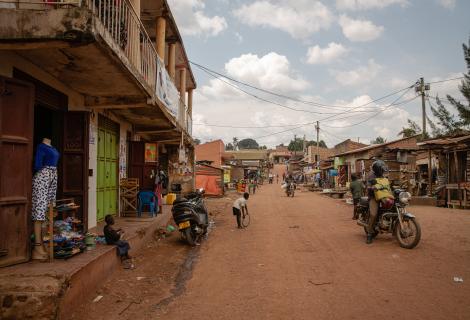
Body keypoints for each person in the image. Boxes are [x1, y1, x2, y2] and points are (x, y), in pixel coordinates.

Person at [366, 160, 387, 244]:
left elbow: (386, 183)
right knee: (373, 214)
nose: (382, 170)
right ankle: (369, 234)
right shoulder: (371, 175)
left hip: (383, 195)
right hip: (373, 197)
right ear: (377, 169)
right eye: (381, 169)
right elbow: (367, 185)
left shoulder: (382, 175)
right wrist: (371, 187)